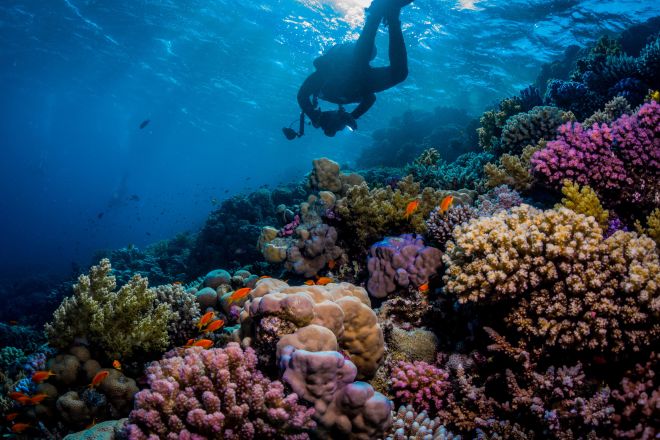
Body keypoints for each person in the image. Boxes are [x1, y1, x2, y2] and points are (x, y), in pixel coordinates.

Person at [293, 0, 413, 137]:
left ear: (328, 117)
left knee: (361, 57)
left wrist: (313, 116)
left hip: (350, 66)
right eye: (341, 127)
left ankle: (376, 13)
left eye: (337, 125)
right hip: (364, 79)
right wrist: (352, 116)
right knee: (399, 74)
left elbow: (302, 95)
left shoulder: (322, 90)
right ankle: (392, 17)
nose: (341, 125)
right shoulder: (344, 100)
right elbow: (370, 98)